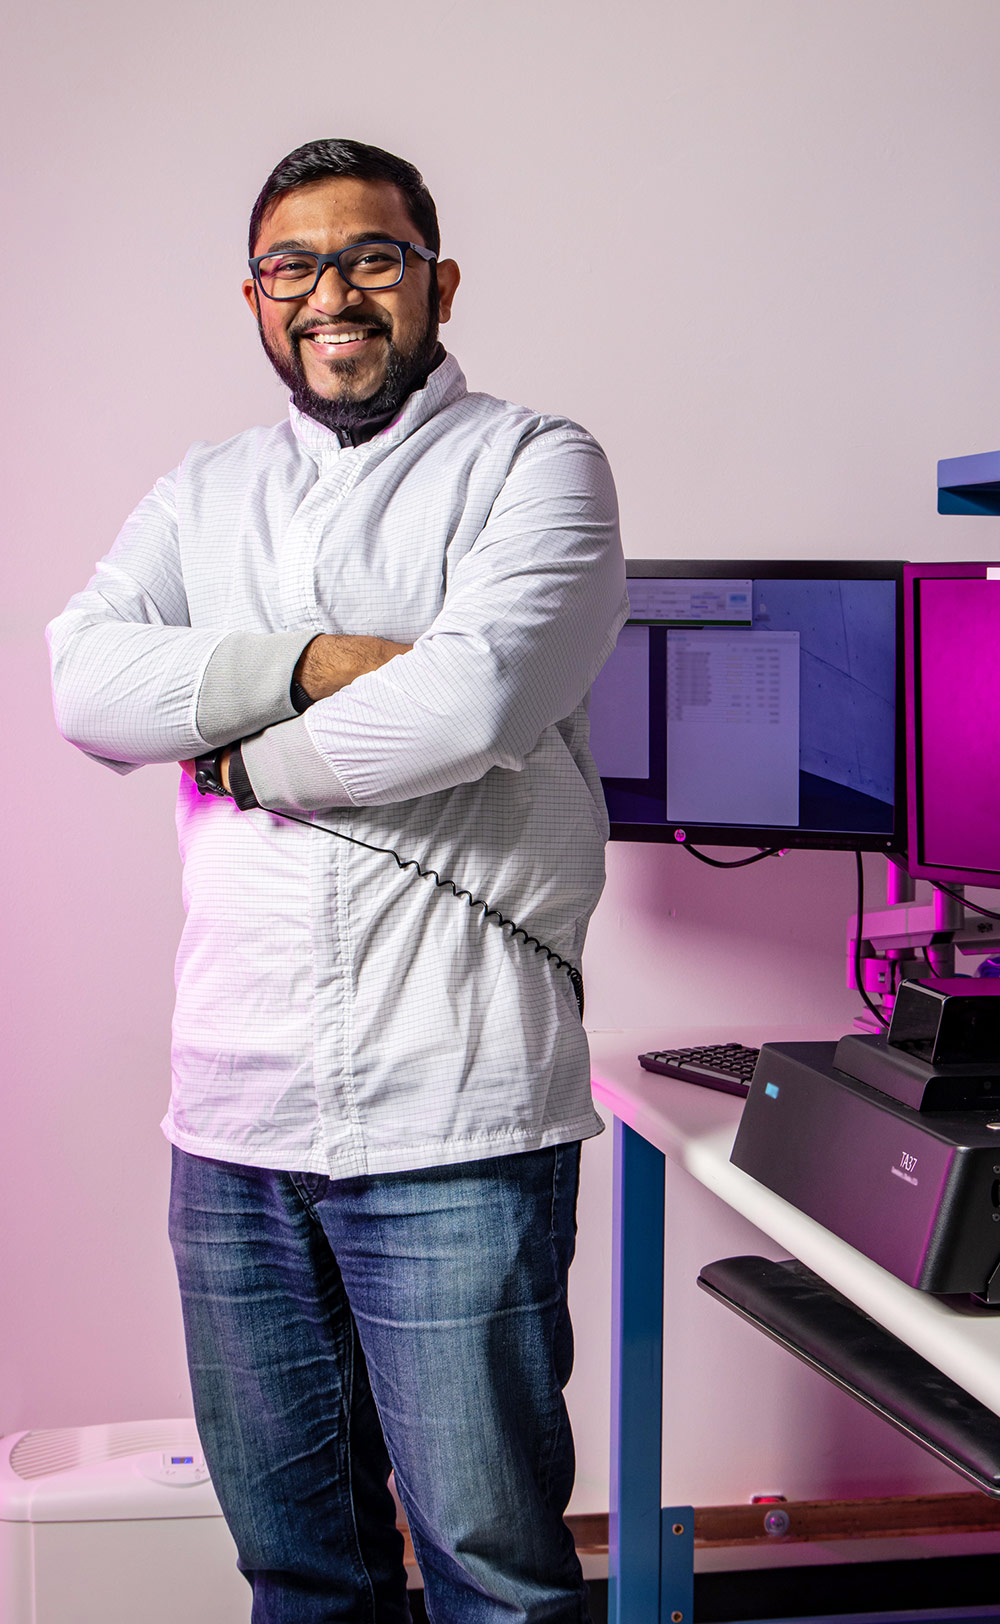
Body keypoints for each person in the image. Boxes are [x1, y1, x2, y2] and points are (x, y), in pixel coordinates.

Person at [47, 138, 627, 1624]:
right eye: (292, 267)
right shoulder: (204, 490)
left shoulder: (535, 462)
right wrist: (308, 664)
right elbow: (86, 685)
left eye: (372, 256)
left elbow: (474, 701)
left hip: (458, 1112)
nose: (333, 295)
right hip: (232, 1120)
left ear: (439, 281)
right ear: (255, 297)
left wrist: (239, 757)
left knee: (496, 1578)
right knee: (301, 1572)